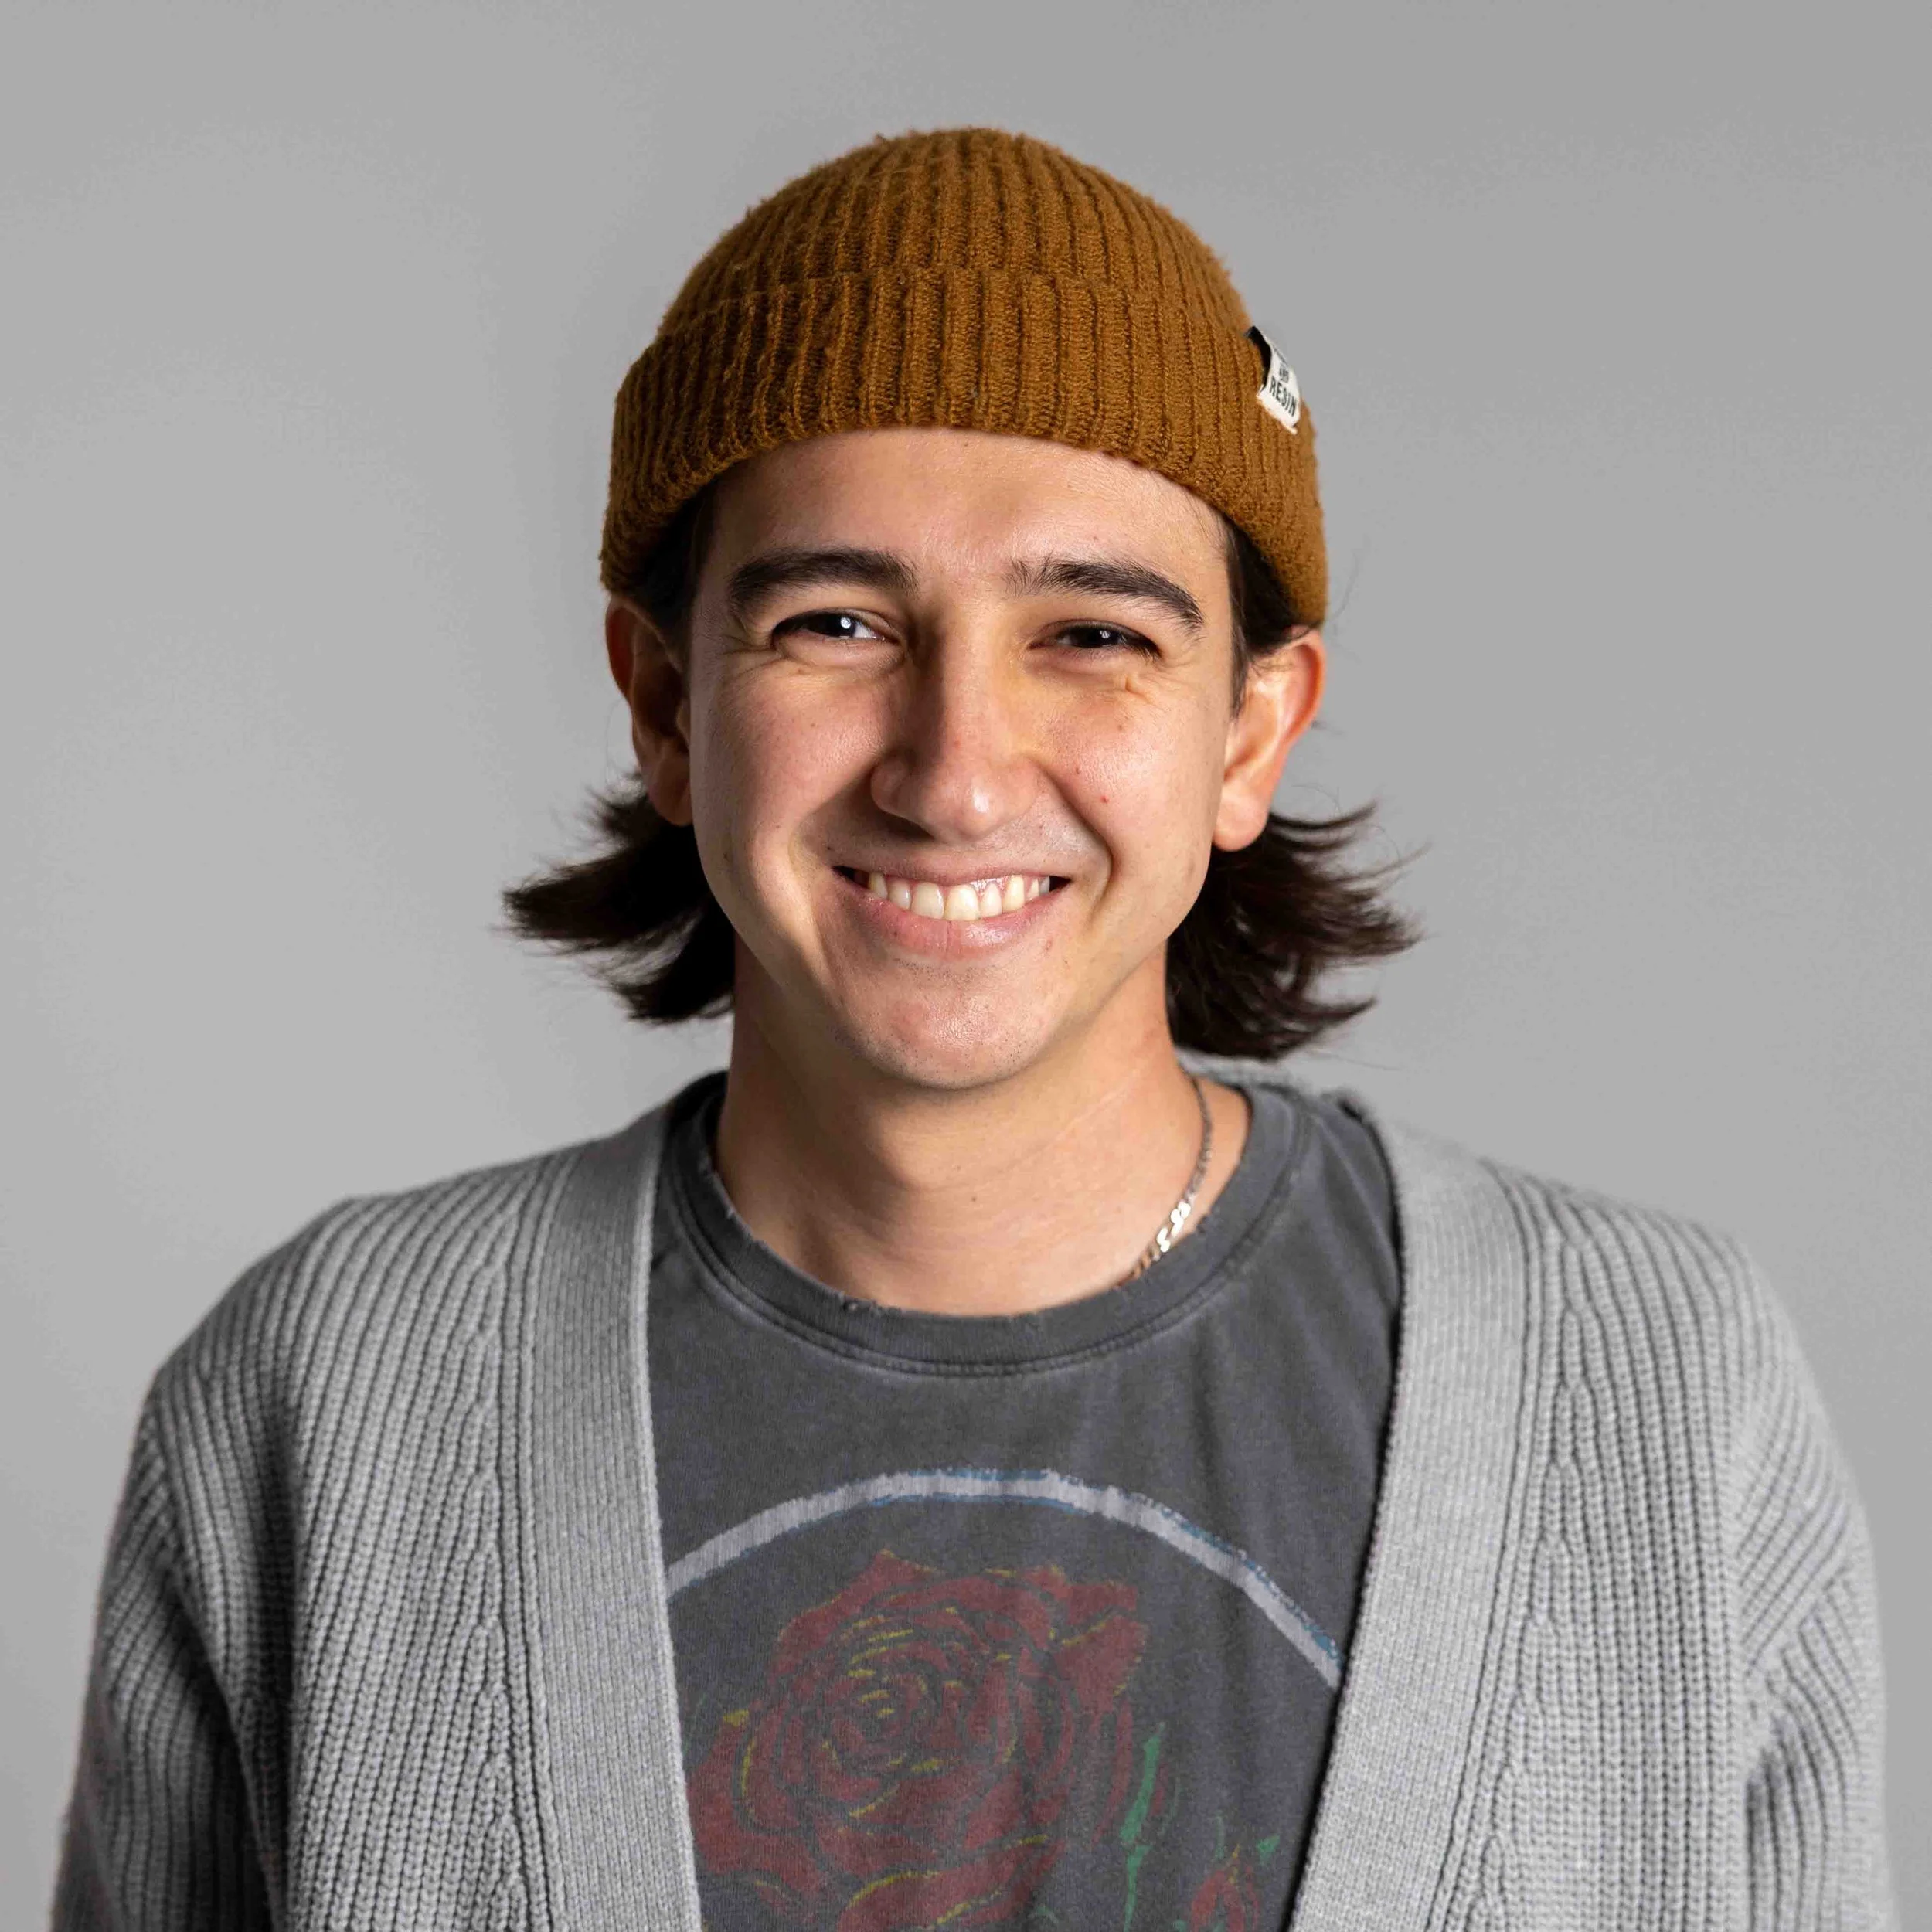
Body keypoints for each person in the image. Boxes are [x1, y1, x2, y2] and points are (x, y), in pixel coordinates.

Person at [52, 128, 1892, 1931]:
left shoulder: (1649, 1395)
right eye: (838, 620)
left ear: (1248, 732)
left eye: (1090, 634)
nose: (952, 769)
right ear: (667, 700)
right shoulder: (335, 1403)